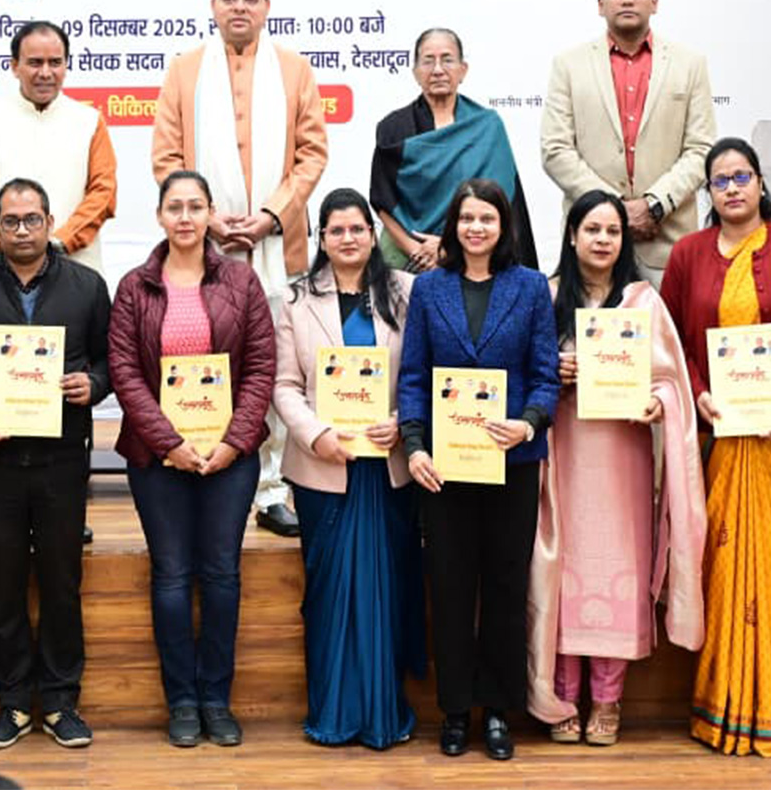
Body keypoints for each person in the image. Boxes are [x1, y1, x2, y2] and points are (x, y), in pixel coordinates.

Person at [659, 138, 771, 756]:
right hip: (723, 443)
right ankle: (723, 705)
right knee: (725, 567)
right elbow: (677, 341)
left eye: (742, 176)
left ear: (762, 184)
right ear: (707, 194)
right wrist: (701, 393)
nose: (731, 188)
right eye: (719, 180)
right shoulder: (687, 255)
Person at [151, 0, 328, 538]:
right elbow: (166, 156)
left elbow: (312, 154)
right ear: (213, 7)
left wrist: (270, 215)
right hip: (202, 248)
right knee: (206, 358)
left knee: (272, 367)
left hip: (276, 243)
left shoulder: (295, 70)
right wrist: (208, 219)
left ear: (267, 7)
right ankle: (200, 460)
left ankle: (274, 487)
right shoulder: (184, 71)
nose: (240, 7)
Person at [0, 177, 113, 750]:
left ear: (48, 220)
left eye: (30, 219)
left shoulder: (87, 286)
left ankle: (61, 702)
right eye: (9, 220)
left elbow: (113, 361)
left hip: (63, 459)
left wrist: (93, 384)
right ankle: (12, 703)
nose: (20, 230)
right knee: (4, 583)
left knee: (63, 581)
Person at [526, 191, 706, 746]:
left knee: (614, 567)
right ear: (572, 235)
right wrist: (553, 370)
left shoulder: (642, 302)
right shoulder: (547, 296)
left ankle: (607, 699)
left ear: (623, 240)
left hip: (622, 457)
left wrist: (658, 404)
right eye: (592, 229)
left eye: (611, 231)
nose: (602, 240)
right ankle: (560, 696)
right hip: (565, 450)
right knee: (562, 564)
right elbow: (519, 372)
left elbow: (670, 380)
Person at [108, 170, 276, 747]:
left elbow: (260, 366)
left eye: (195, 206)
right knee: (173, 577)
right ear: (159, 215)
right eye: (174, 207)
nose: (184, 217)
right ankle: (181, 700)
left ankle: (216, 698)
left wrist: (233, 440)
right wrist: (169, 444)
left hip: (230, 455)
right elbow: (125, 373)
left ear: (210, 215)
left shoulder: (241, 281)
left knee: (223, 576)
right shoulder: (134, 287)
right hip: (158, 460)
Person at [396, 178, 559, 760]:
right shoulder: (429, 290)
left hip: (512, 462)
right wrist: (413, 444)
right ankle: (456, 710)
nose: (476, 228)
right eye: (466, 218)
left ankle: (497, 711)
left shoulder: (532, 288)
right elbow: (413, 376)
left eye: (486, 218)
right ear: (453, 225)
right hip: (443, 467)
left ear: (503, 225)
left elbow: (544, 376)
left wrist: (531, 422)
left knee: (506, 587)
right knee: (451, 587)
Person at [272, 189, 424, 749]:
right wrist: (317, 435)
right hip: (324, 469)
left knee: (386, 588)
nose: (348, 239)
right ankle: (333, 712)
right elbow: (286, 386)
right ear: (322, 240)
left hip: (387, 467)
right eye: (336, 231)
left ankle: (385, 712)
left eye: (358, 228)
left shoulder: (408, 293)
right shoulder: (294, 301)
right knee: (330, 591)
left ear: (371, 233)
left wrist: (401, 420)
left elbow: (423, 371)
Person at [541, 0, 716, 282]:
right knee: (586, 334)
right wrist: (615, 208)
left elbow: (701, 148)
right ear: (600, 4)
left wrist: (654, 204)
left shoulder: (689, 64)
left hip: (667, 244)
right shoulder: (569, 65)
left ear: (654, 1)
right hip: (591, 240)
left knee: (668, 334)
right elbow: (555, 150)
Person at [370, 27, 538, 273]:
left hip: (476, 253)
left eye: (447, 60)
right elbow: (383, 201)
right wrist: (416, 251)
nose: (438, 70)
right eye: (428, 61)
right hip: (409, 256)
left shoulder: (486, 126)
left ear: (463, 70)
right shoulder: (394, 128)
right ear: (416, 72)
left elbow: (502, 203)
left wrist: (449, 248)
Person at [0, 20, 118, 274]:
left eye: (55, 63)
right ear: (14, 66)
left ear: (66, 65)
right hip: (1, 266)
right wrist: (16, 241)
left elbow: (104, 192)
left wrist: (59, 242)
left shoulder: (90, 121)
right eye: (35, 63)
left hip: (74, 265)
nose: (45, 73)